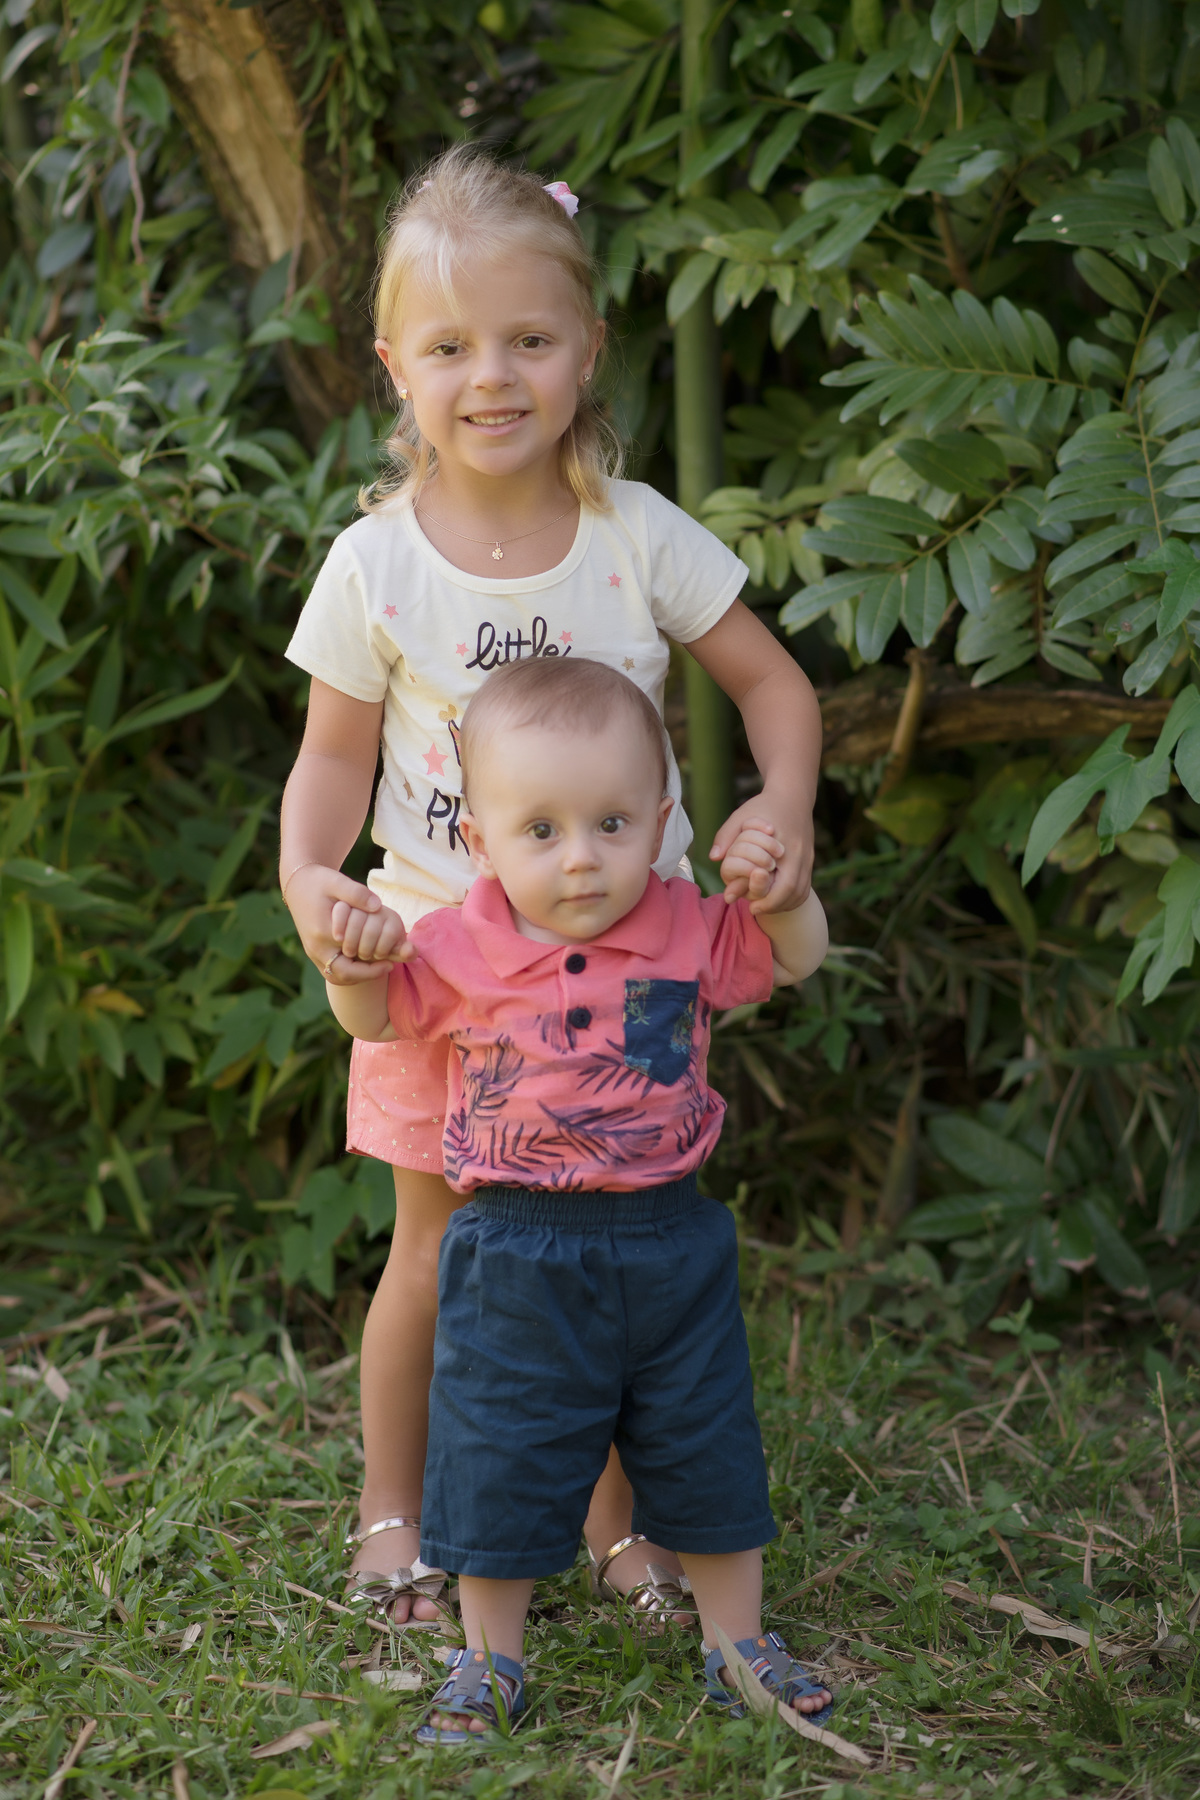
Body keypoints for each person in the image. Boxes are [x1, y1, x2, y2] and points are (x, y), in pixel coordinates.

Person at [279, 144, 824, 1627]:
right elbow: (330, 763)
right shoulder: (376, 565)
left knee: (606, 1247)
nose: (493, 375)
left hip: (623, 975)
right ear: (395, 365)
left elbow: (773, 687)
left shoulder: (635, 538)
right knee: (441, 1245)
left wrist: (783, 808)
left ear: (587, 347)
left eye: (529, 338)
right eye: (450, 346)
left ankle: (615, 1528)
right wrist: (312, 878)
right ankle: (396, 1510)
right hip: (437, 976)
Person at [325, 657, 834, 1742]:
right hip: (514, 1244)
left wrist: (789, 895)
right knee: (498, 1441)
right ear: (481, 842)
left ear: (660, 821)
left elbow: (794, 959)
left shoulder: (691, 924)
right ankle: (486, 1659)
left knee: (702, 1434)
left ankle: (736, 1642)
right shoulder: (457, 946)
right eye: (542, 830)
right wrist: (350, 960)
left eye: (610, 822)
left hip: (668, 1236)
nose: (583, 857)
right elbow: (373, 1021)